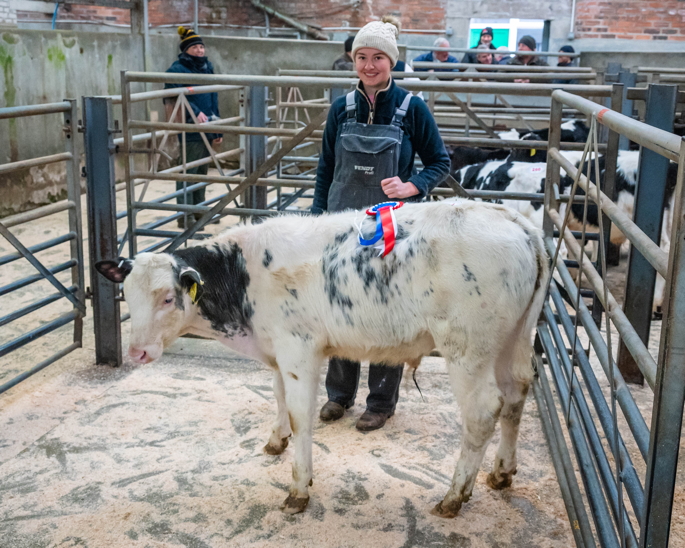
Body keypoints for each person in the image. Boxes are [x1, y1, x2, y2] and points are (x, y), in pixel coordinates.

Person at [312, 20, 450, 431]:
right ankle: (339, 395)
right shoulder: (341, 109)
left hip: (390, 226)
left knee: (388, 309)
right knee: (341, 306)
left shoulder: (412, 108)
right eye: (361, 57)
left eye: (377, 57)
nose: (369, 66)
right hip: (342, 224)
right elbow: (325, 169)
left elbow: (440, 162)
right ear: (352, 60)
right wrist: (318, 222)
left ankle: (381, 401)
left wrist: (412, 185)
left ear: (391, 60)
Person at [164, 27, 222, 228]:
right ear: (185, 49)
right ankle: (185, 214)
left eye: (201, 47)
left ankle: (200, 210)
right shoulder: (177, 70)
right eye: (195, 47)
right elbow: (173, 90)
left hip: (208, 125)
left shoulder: (207, 67)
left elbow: (214, 96)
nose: (199, 50)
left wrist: (218, 127)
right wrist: (194, 111)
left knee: (201, 171)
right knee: (189, 169)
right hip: (190, 127)